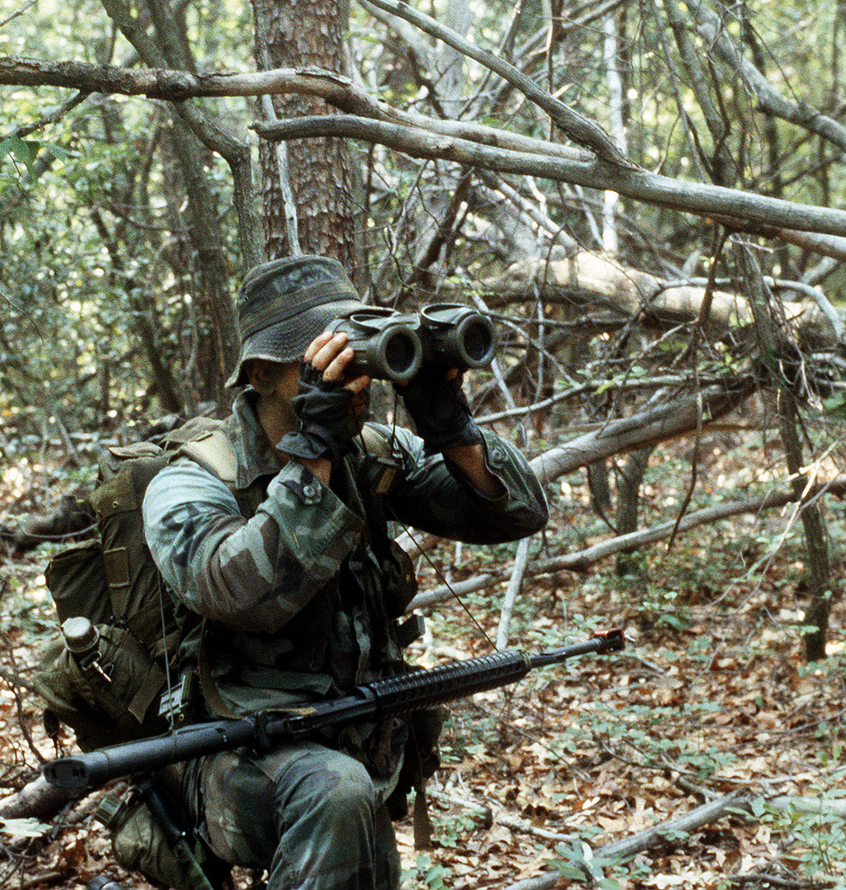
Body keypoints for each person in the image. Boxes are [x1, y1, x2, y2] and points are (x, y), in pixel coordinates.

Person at [142, 255, 550, 890]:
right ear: (260, 374)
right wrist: (313, 455)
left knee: (345, 797)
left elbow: (518, 512)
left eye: (354, 349)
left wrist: (448, 423)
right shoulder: (193, 481)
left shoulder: (373, 452)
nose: (352, 381)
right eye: (318, 359)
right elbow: (242, 593)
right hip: (233, 753)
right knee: (335, 792)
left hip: (358, 737)